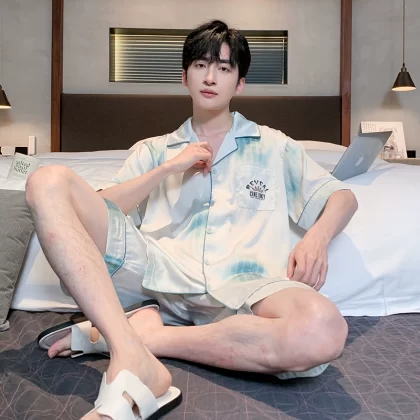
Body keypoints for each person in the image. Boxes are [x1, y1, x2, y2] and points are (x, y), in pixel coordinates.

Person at [26, 19, 358, 420]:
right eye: (200, 65)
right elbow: (98, 209)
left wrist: (316, 238)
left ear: (240, 83)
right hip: (156, 278)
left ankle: (139, 339)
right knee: (46, 181)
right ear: (184, 77)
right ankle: (135, 342)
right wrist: (168, 168)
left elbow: (343, 197)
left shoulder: (273, 145)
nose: (210, 77)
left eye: (224, 68)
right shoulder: (154, 150)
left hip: (245, 288)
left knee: (324, 329)